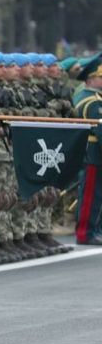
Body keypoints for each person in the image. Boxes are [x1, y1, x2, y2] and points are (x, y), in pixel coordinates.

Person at [72, 54, 102, 245]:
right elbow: (99, 129)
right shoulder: (91, 102)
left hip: (96, 152)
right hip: (92, 152)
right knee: (91, 194)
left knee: (98, 195)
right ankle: (85, 232)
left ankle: (95, 228)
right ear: (91, 79)